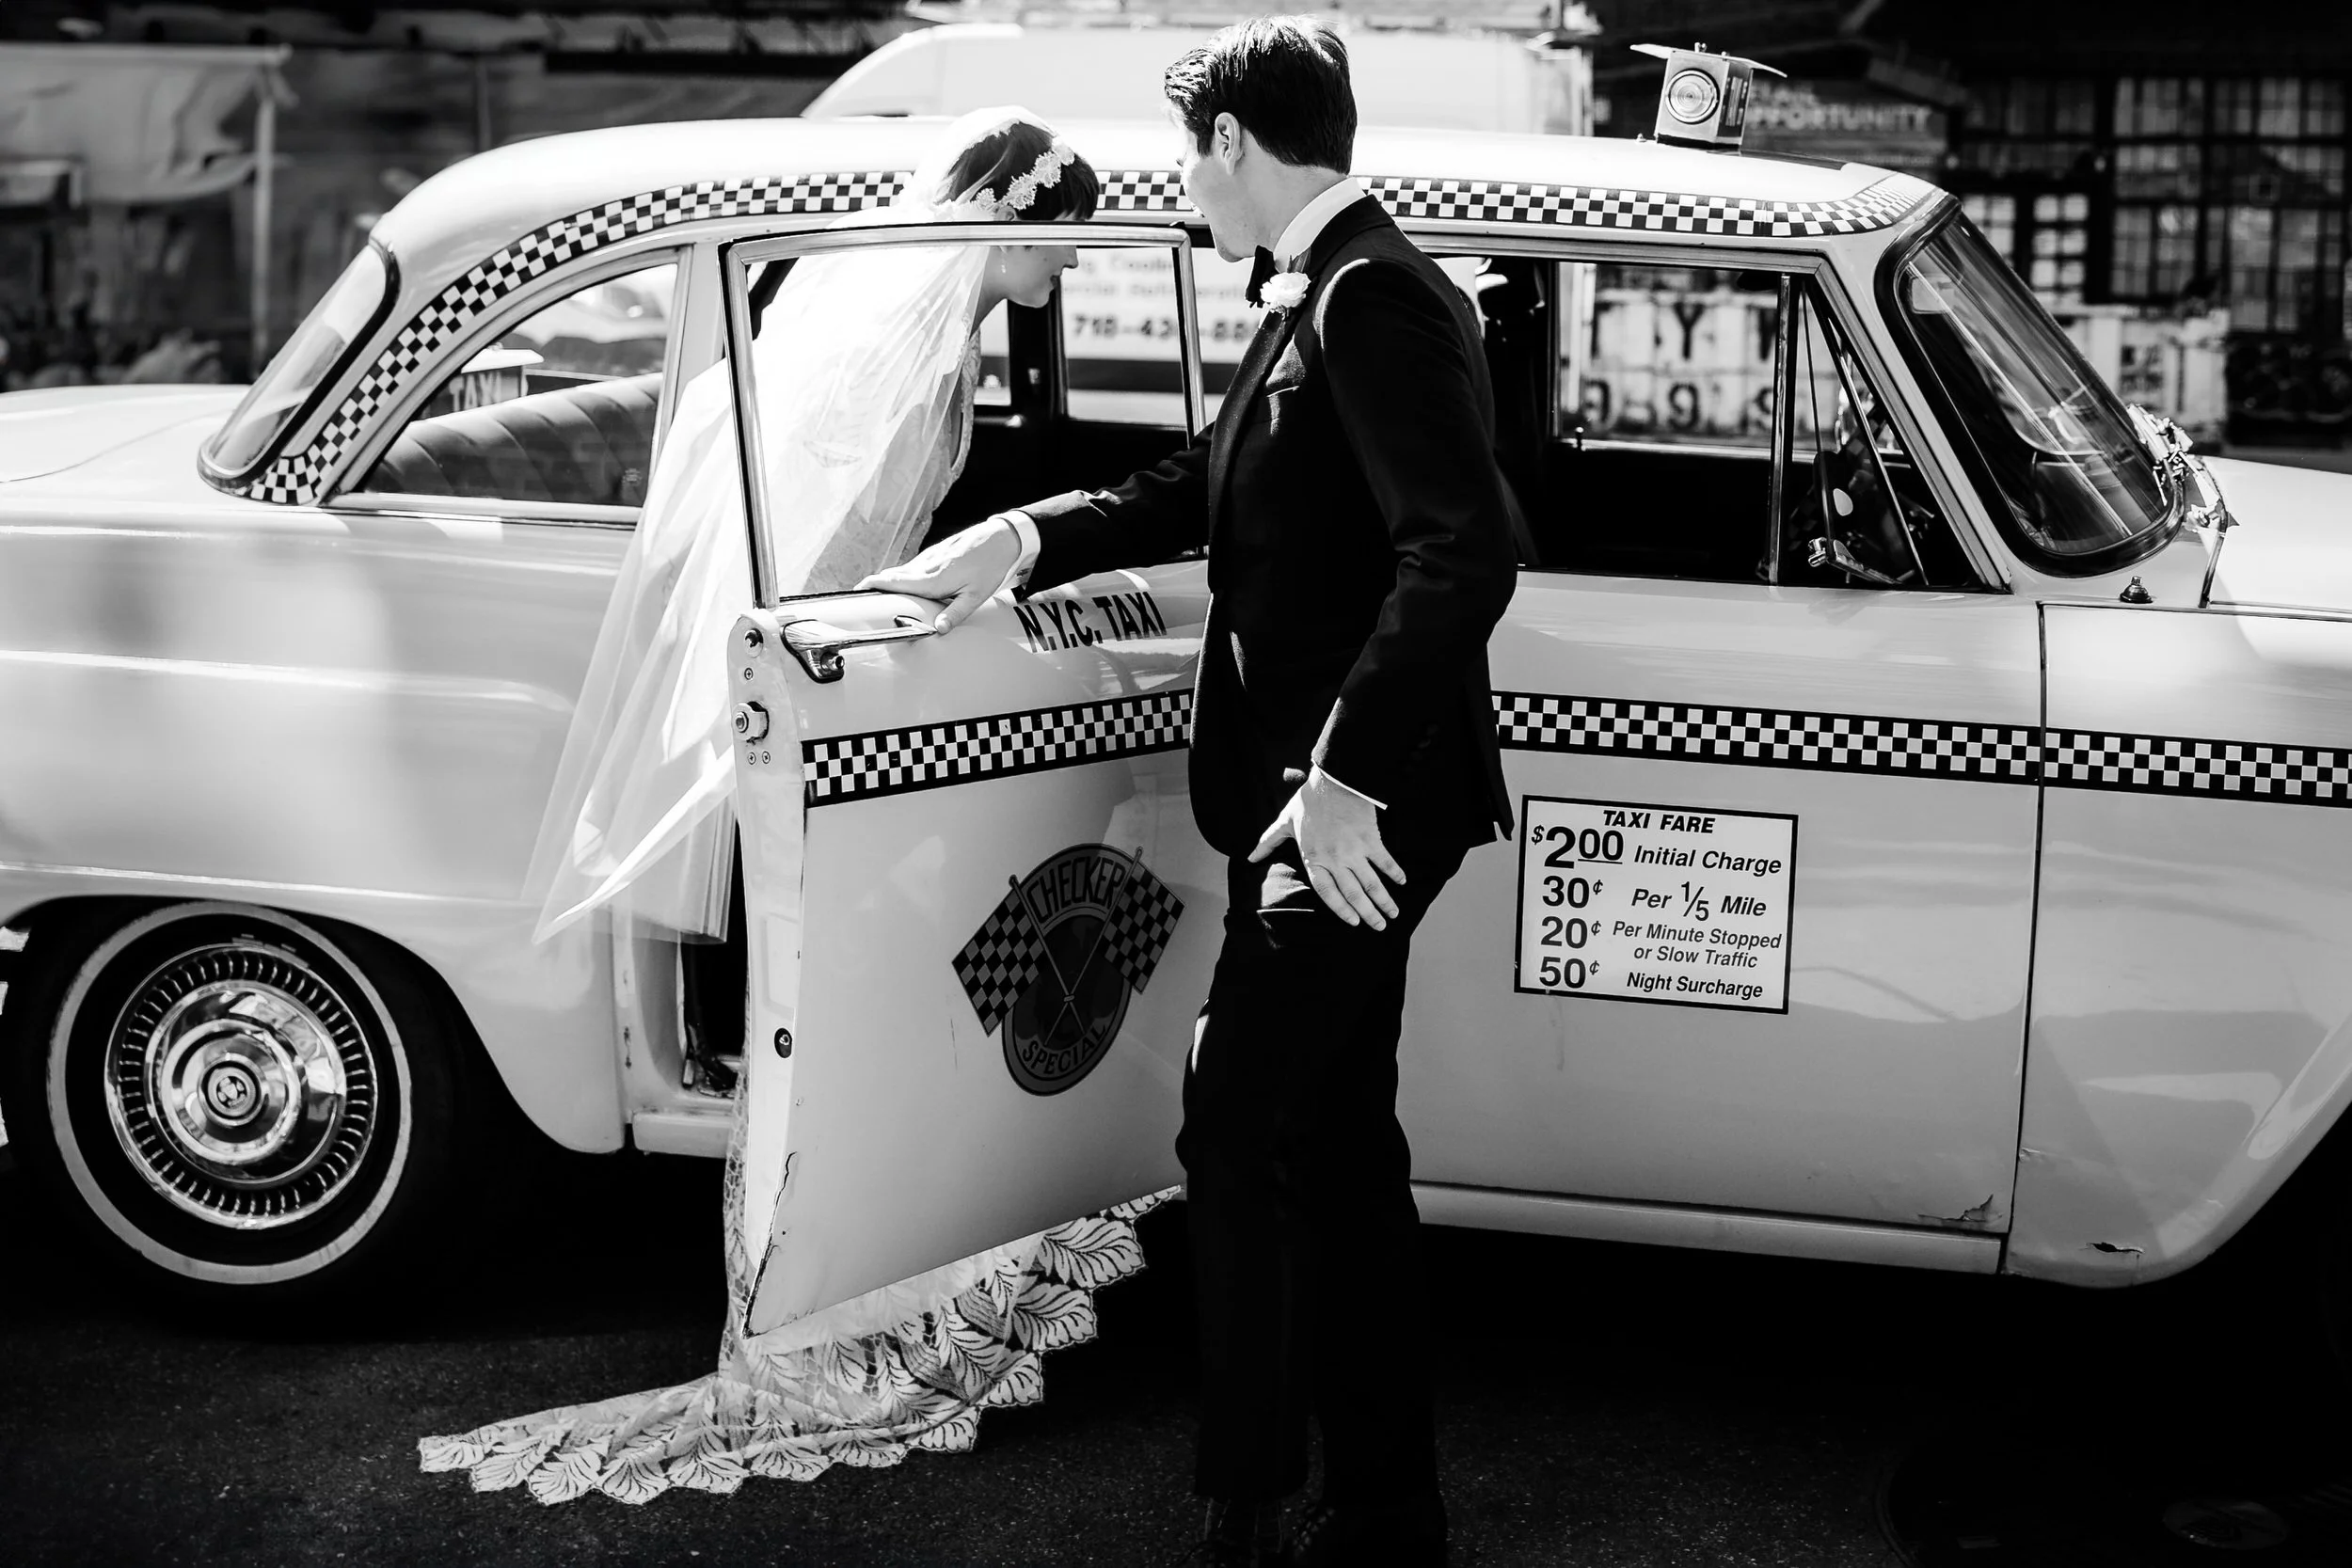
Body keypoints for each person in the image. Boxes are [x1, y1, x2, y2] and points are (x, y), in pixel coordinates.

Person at [420, 109, 1154, 1504]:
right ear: (1003, 212)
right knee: (824, 987)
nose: (1065, 269)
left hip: (837, 694)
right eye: (1058, 240)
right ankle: (813, 1262)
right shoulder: (895, 352)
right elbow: (816, 541)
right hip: (813, 703)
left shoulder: (939, 332)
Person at [860, 21, 1518, 1565]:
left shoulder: (1370, 296)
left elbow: (1463, 551)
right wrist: (1012, 544)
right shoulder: (1331, 289)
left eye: (1187, 151)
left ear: (1231, 141)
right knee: (1342, 1149)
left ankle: (1248, 1495)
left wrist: (1346, 778)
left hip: (1345, 812)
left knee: (1232, 1127)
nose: (1180, 181)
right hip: (1322, 797)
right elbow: (1199, 487)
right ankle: (1382, 1506)